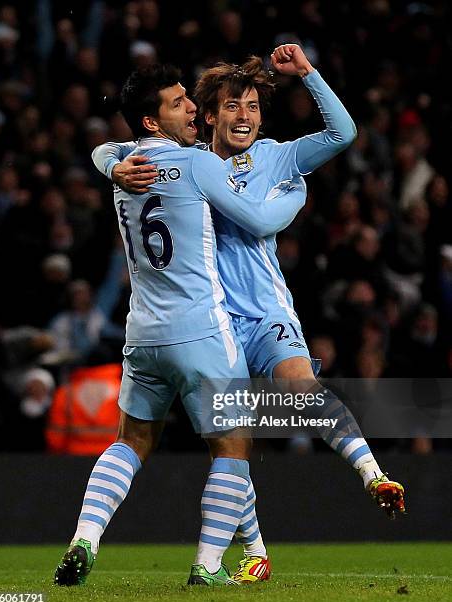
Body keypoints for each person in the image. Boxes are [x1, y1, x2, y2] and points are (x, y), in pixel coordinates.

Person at [96, 44, 406, 559]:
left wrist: (308, 72)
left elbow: (343, 134)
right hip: (213, 323)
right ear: (210, 115)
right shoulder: (188, 162)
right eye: (234, 106)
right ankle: (255, 553)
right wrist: (111, 165)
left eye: (255, 107)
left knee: (300, 392)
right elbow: (112, 146)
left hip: (265, 312)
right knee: (232, 446)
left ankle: (373, 474)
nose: (246, 117)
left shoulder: (275, 155)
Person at [54, 63, 307, 587]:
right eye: (178, 103)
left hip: (142, 333)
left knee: (129, 442)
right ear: (151, 121)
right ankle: (208, 567)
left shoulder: (127, 164)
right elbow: (259, 223)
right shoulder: (197, 164)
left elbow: (104, 151)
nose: (193, 107)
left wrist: (108, 165)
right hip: (203, 330)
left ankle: (85, 537)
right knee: (233, 445)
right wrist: (294, 193)